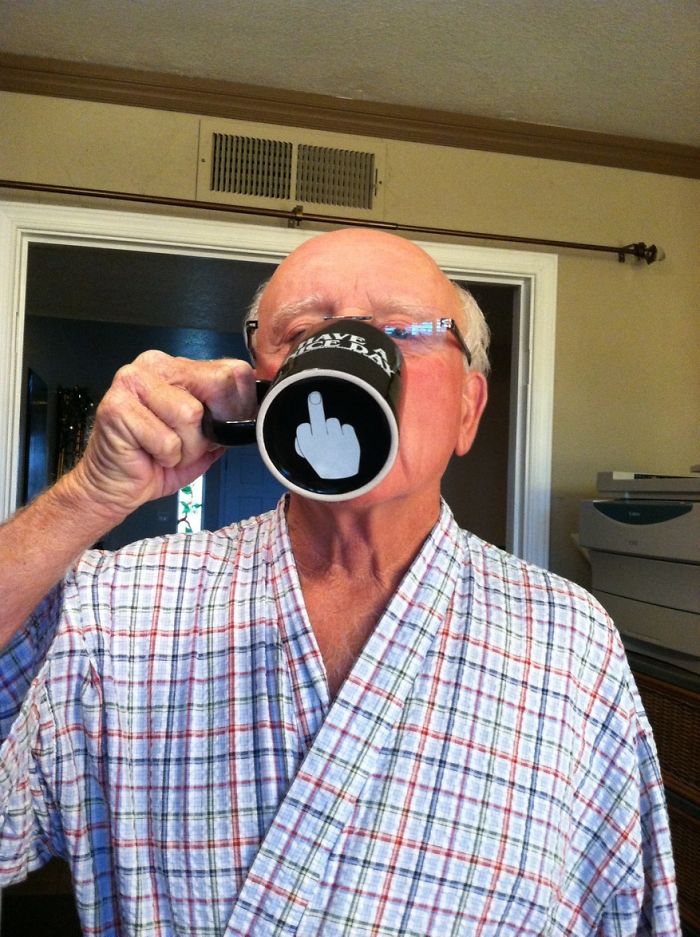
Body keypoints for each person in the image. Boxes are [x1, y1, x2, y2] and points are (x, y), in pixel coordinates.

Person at [0, 229, 680, 935]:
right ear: (263, 391)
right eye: (303, 333)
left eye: (398, 333)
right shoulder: (124, 604)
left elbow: (627, 915)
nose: (350, 355)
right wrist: (88, 497)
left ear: (468, 409)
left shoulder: (567, 639)